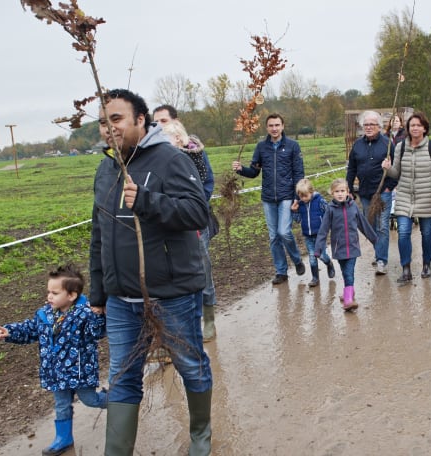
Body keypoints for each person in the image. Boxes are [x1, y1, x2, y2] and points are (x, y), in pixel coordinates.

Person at [91, 89, 212, 455]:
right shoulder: (105, 169)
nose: (108, 128)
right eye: (102, 122)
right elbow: (100, 234)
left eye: (116, 119)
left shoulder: (169, 159)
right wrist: (98, 295)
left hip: (171, 293)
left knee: (190, 365)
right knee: (122, 377)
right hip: (121, 300)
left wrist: (145, 201)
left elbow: (196, 213)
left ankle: (200, 437)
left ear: (140, 120)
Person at [0, 264, 106, 456]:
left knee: (91, 400)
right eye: (49, 292)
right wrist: (11, 332)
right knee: (61, 405)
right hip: (55, 373)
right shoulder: (44, 314)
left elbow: (97, 333)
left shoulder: (85, 314)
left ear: (71, 295)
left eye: (55, 293)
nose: (49, 297)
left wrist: (99, 315)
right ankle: (63, 438)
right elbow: (30, 330)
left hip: (79, 372)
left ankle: (117, 401)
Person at [158, 114, 218, 342]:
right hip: (169, 224)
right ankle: (179, 324)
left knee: (202, 268)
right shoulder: (159, 160)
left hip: (194, 224)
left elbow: (206, 185)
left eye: (172, 137)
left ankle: (209, 317)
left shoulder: (196, 157)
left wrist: (190, 209)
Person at [232, 113, 306, 285]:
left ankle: (296, 260)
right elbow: (254, 171)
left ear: (283, 126)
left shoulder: (293, 146)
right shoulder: (261, 147)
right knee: (273, 237)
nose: (274, 128)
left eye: (277, 125)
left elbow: (299, 173)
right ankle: (281, 271)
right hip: (268, 198)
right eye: (271, 125)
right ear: (267, 128)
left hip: (287, 195)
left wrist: (298, 198)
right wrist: (240, 169)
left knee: (284, 232)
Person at [382, 111, 431, 282]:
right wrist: (388, 168)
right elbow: (396, 174)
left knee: (426, 233)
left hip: (427, 196)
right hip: (404, 196)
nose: (415, 128)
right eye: (412, 125)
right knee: (403, 232)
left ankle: (427, 263)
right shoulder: (400, 147)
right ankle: (406, 269)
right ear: (408, 128)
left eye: (419, 125)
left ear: (424, 128)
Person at [346, 110, 397, 275]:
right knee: (370, 226)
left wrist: (389, 186)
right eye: (365, 124)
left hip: (382, 193)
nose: (368, 127)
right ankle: (379, 252)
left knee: (382, 226)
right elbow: (352, 168)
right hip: (365, 192)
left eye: (372, 124)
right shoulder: (357, 145)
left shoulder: (387, 145)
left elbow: (396, 168)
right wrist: (349, 189)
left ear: (379, 127)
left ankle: (381, 260)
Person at [314, 178, 377, 310]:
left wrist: (374, 239)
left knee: (349, 272)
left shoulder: (353, 206)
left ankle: (348, 300)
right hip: (339, 248)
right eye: (337, 191)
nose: (340, 194)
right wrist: (318, 249)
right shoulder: (330, 210)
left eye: (343, 191)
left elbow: (362, 223)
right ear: (332, 193)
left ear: (348, 192)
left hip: (353, 247)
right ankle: (349, 291)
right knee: (344, 272)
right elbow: (323, 230)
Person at [291, 178, 335, 287]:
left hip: (320, 235)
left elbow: (328, 212)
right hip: (308, 235)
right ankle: (315, 278)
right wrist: (294, 211)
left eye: (305, 196)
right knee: (312, 257)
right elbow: (298, 220)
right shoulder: (301, 204)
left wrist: (327, 226)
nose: (303, 199)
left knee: (321, 255)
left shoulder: (319, 201)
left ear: (311, 192)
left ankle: (329, 263)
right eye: (301, 196)